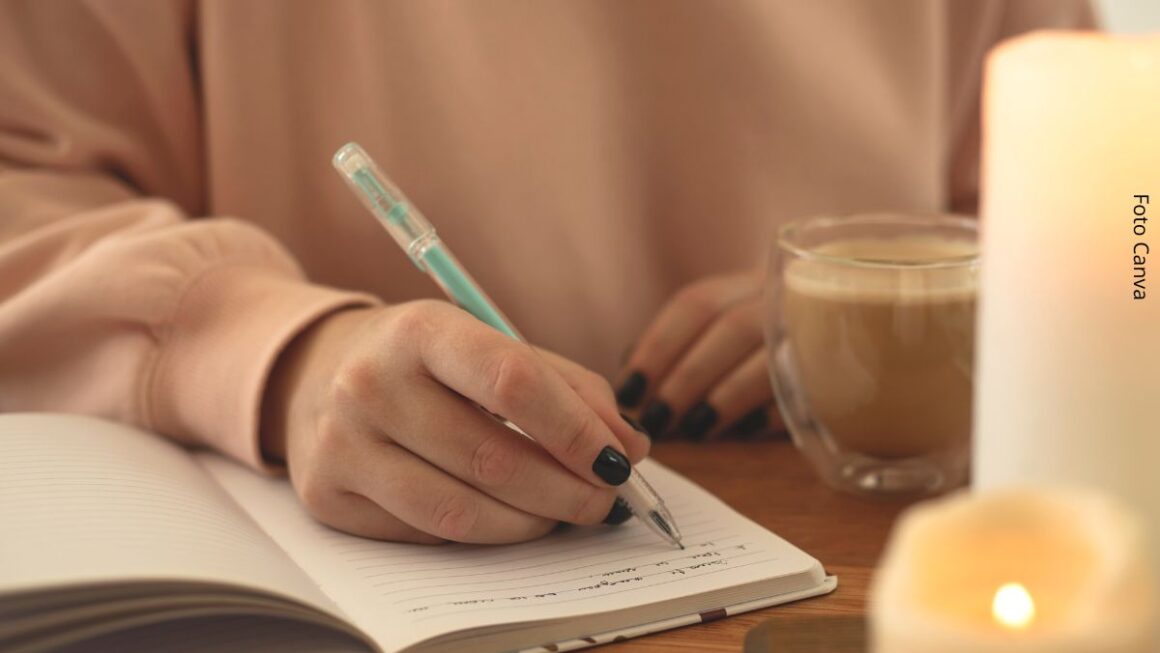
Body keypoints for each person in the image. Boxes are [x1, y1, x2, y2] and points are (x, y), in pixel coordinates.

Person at [0, 0, 1093, 544]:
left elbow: (1113, 205)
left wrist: (898, 308)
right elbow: (27, 184)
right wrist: (278, 352)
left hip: (879, 545)